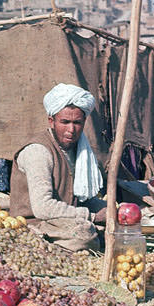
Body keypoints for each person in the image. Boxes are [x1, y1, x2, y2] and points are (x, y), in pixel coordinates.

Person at [9, 83, 106, 251]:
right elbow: (43, 208)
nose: (71, 130)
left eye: (77, 123)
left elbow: (80, 198)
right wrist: (93, 217)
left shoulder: (79, 151)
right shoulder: (38, 151)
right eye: (65, 122)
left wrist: (109, 209)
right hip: (36, 224)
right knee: (85, 237)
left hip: (65, 220)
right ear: (51, 121)